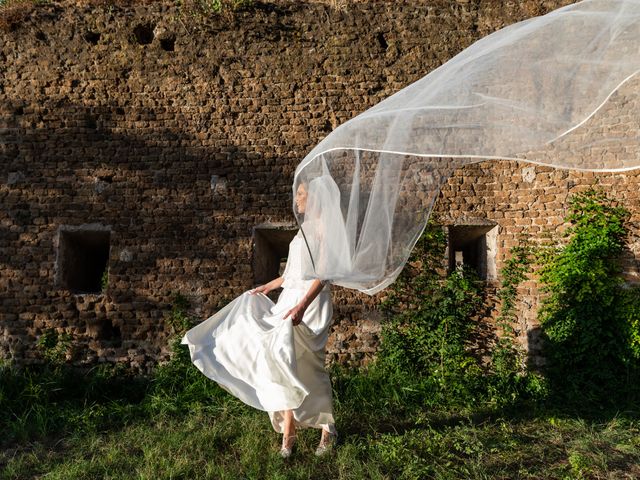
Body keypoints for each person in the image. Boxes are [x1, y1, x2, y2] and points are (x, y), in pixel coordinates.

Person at [182, 180, 338, 458]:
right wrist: (269, 286)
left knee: (309, 367)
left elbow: (323, 275)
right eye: (298, 194)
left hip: (311, 304)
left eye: (302, 195)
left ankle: (328, 428)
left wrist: (303, 305)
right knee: (278, 359)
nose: (297, 199)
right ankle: (289, 430)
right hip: (290, 299)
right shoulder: (302, 233)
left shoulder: (326, 229)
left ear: (316, 199)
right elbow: (292, 273)